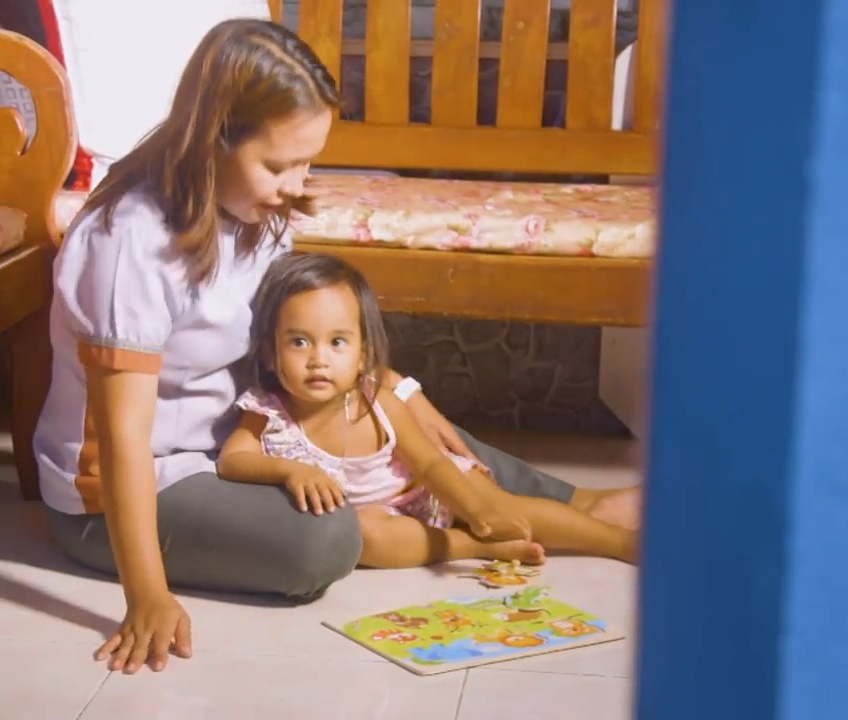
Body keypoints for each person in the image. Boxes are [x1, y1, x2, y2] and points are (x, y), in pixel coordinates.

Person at [32, 18, 642, 677]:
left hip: (239, 436)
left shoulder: (258, 210)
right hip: (128, 489)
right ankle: (462, 532)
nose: (297, 184)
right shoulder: (129, 243)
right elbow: (122, 440)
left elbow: (303, 336)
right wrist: (146, 595)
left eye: (308, 162)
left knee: (405, 423)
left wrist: (400, 392)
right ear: (213, 140)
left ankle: (583, 507)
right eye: (278, 165)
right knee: (324, 539)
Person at [217, 253, 639, 569]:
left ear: (363, 355)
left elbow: (431, 464)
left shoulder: (378, 402)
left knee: (506, 506)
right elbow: (232, 459)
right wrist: (289, 471)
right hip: (381, 517)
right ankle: (471, 547)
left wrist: (476, 509)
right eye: (299, 342)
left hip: (432, 490)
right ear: (270, 354)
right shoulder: (268, 411)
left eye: (337, 342)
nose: (318, 360)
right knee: (366, 539)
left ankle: (616, 541)